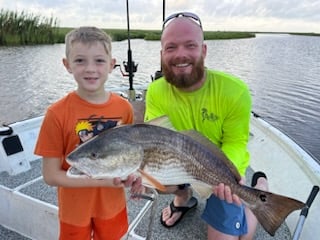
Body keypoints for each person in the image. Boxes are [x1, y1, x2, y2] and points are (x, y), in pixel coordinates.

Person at [144, 12, 268, 240]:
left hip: (221, 169)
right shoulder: (155, 90)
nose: (180, 55)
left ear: (204, 50)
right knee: (155, 178)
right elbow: (155, 139)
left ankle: (258, 190)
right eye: (171, 47)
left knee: (242, 237)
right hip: (179, 162)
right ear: (162, 54)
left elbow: (235, 141)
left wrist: (228, 178)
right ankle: (183, 198)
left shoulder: (234, 90)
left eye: (190, 45)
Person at [34, 26, 143, 240]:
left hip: (113, 206)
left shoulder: (124, 109)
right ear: (67, 65)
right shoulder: (56, 113)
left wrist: (135, 178)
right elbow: (51, 175)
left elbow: (132, 158)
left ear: (112, 65)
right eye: (80, 61)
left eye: (99, 61)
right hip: (74, 211)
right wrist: (104, 181)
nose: (90, 69)